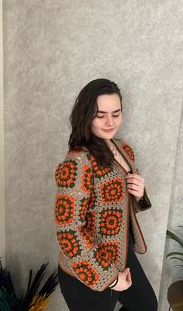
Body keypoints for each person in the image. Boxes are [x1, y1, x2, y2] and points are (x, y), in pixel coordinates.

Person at [54, 79, 158, 311]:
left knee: (146, 306)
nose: (110, 122)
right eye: (100, 115)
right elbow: (68, 231)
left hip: (122, 253)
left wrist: (140, 194)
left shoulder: (124, 149)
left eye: (116, 113)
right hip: (88, 266)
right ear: (86, 115)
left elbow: (122, 205)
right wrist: (109, 279)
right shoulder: (78, 161)